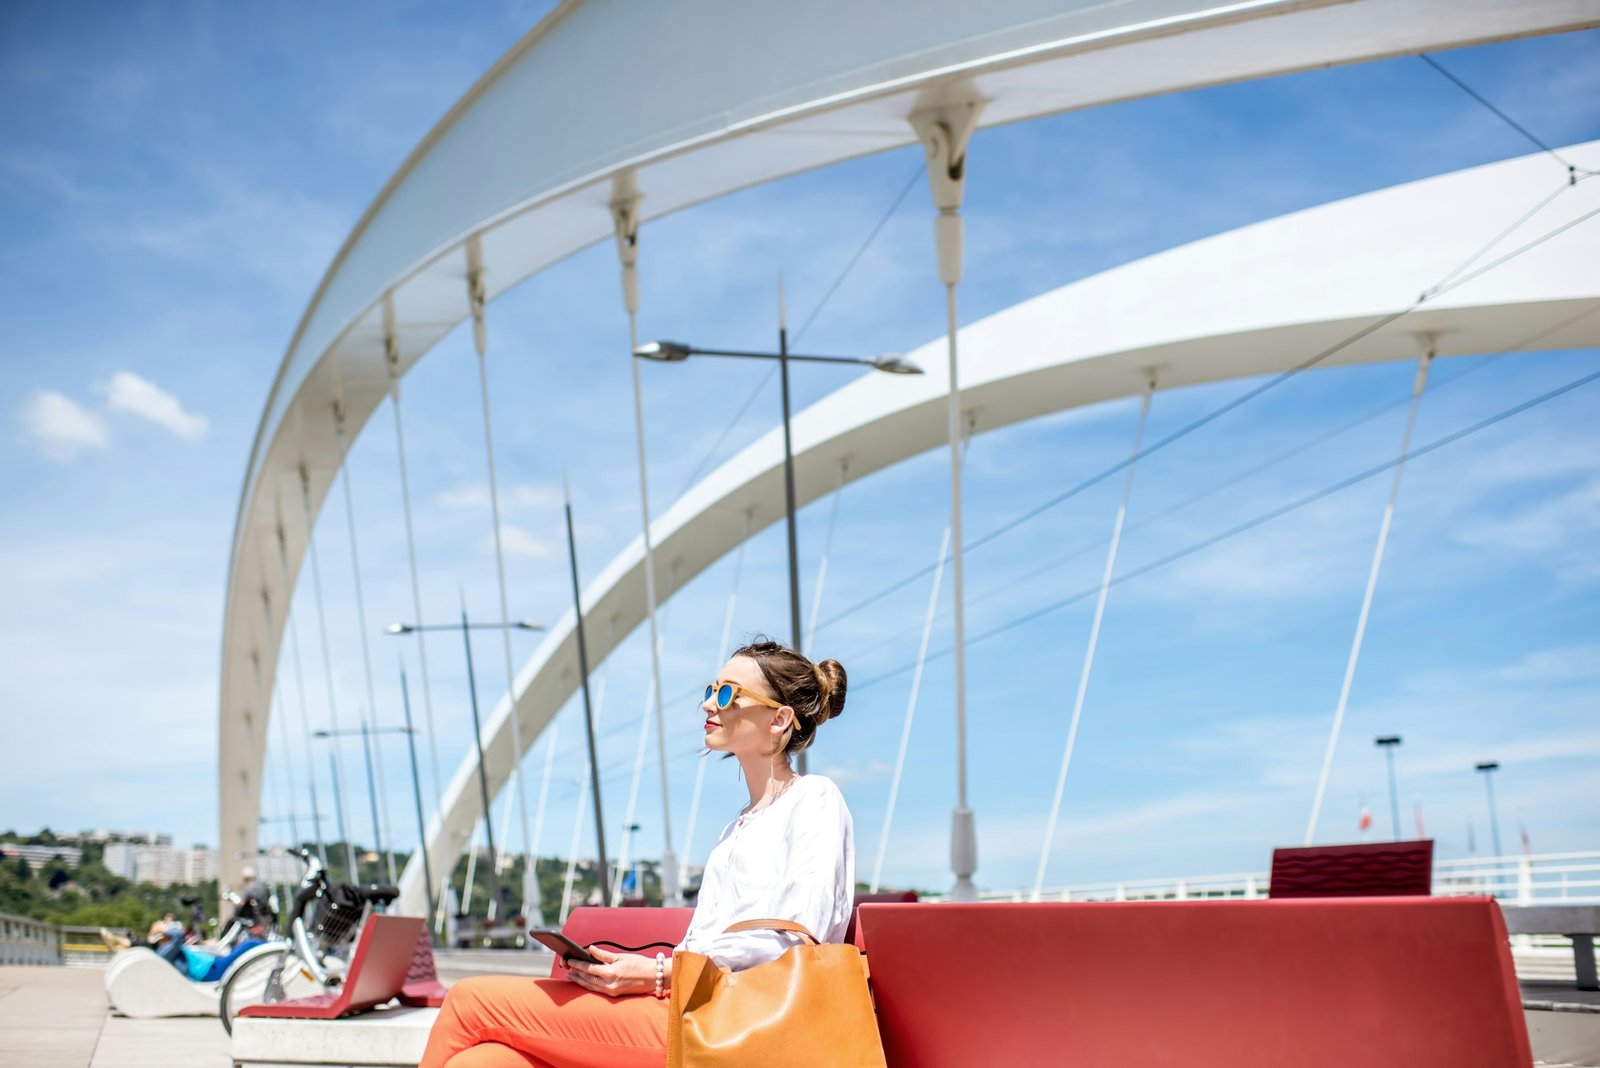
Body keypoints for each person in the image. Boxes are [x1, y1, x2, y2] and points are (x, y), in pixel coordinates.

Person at [420, 639, 854, 1068]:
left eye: (728, 694)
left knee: (468, 1001)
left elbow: (795, 938)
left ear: (779, 719)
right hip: (692, 1007)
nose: (709, 705)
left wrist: (661, 973)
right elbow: (703, 947)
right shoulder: (736, 828)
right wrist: (644, 973)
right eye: (711, 690)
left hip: (739, 1026)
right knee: (485, 1060)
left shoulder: (814, 798)